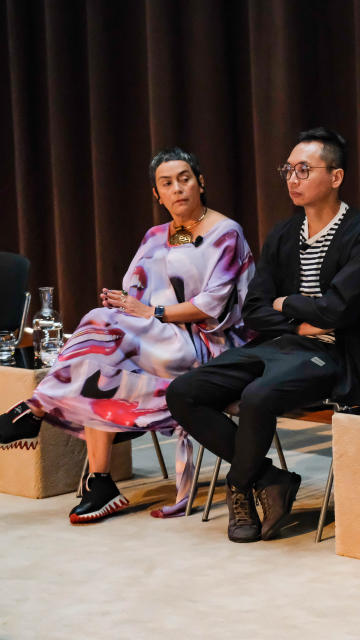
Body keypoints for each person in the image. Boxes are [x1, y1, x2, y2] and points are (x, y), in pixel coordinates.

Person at [0, 147, 255, 522]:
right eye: (166, 183)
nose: (178, 188)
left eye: (185, 178)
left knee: (101, 336)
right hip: (159, 341)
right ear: (157, 194)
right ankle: (100, 481)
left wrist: (151, 312)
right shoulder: (155, 236)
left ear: (201, 182)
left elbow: (212, 305)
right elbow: (136, 293)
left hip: (209, 345)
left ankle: (36, 409)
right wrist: (126, 305)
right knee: (100, 356)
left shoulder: (225, 232)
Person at [166, 127, 360, 544]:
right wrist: (298, 317)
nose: (292, 178)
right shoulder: (284, 234)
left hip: (335, 354)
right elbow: (254, 308)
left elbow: (339, 311)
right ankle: (269, 479)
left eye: (304, 170)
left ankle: (239, 488)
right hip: (280, 345)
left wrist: (286, 303)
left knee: (257, 396)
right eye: (288, 169)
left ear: (335, 177)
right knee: (184, 391)